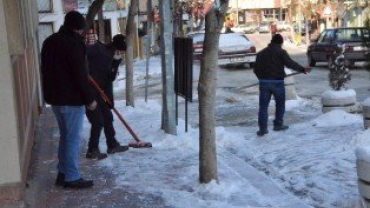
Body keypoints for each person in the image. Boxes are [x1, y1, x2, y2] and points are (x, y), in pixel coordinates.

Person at [41, 11, 96, 188]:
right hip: (71, 100)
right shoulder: (74, 44)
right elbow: (80, 75)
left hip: (55, 99)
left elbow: (45, 70)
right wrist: (89, 99)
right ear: (79, 29)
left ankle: (63, 173)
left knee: (65, 137)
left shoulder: (49, 41)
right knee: (72, 139)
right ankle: (72, 177)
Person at [253, 34, 311, 136]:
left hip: (264, 83)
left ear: (271, 41)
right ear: (280, 43)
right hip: (277, 82)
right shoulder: (281, 52)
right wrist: (302, 69)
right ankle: (278, 125)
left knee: (263, 107)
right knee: (280, 104)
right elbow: (290, 63)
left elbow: (256, 69)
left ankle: (262, 129)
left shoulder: (261, 53)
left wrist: (262, 78)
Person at [85, 34, 129, 160]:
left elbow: (110, 79)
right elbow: (82, 53)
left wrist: (115, 63)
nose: (121, 54)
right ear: (117, 48)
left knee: (107, 118)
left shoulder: (112, 58)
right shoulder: (98, 49)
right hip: (88, 91)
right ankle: (92, 150)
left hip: (100, 93)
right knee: (97, 121)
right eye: (121, 51)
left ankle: (112, 144)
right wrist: (85, 71)